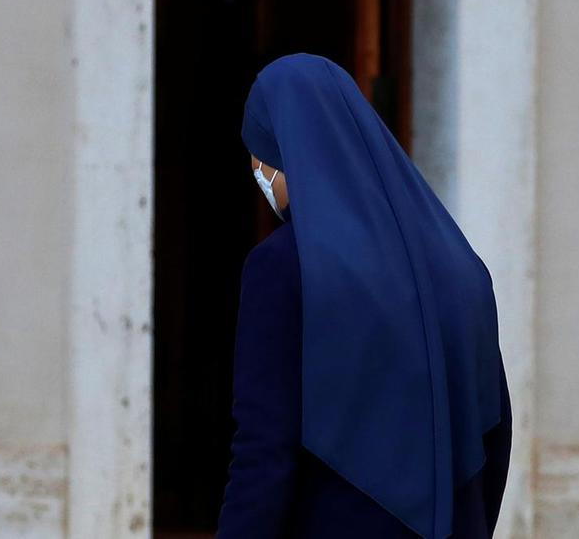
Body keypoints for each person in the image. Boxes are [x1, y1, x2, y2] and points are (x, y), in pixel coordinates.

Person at [217, 52, 512, 539]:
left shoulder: (283, 268)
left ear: (282, 153)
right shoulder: (462, 268)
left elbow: (264, 453)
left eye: (258, 157)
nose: (258, 173)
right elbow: (492, 433)